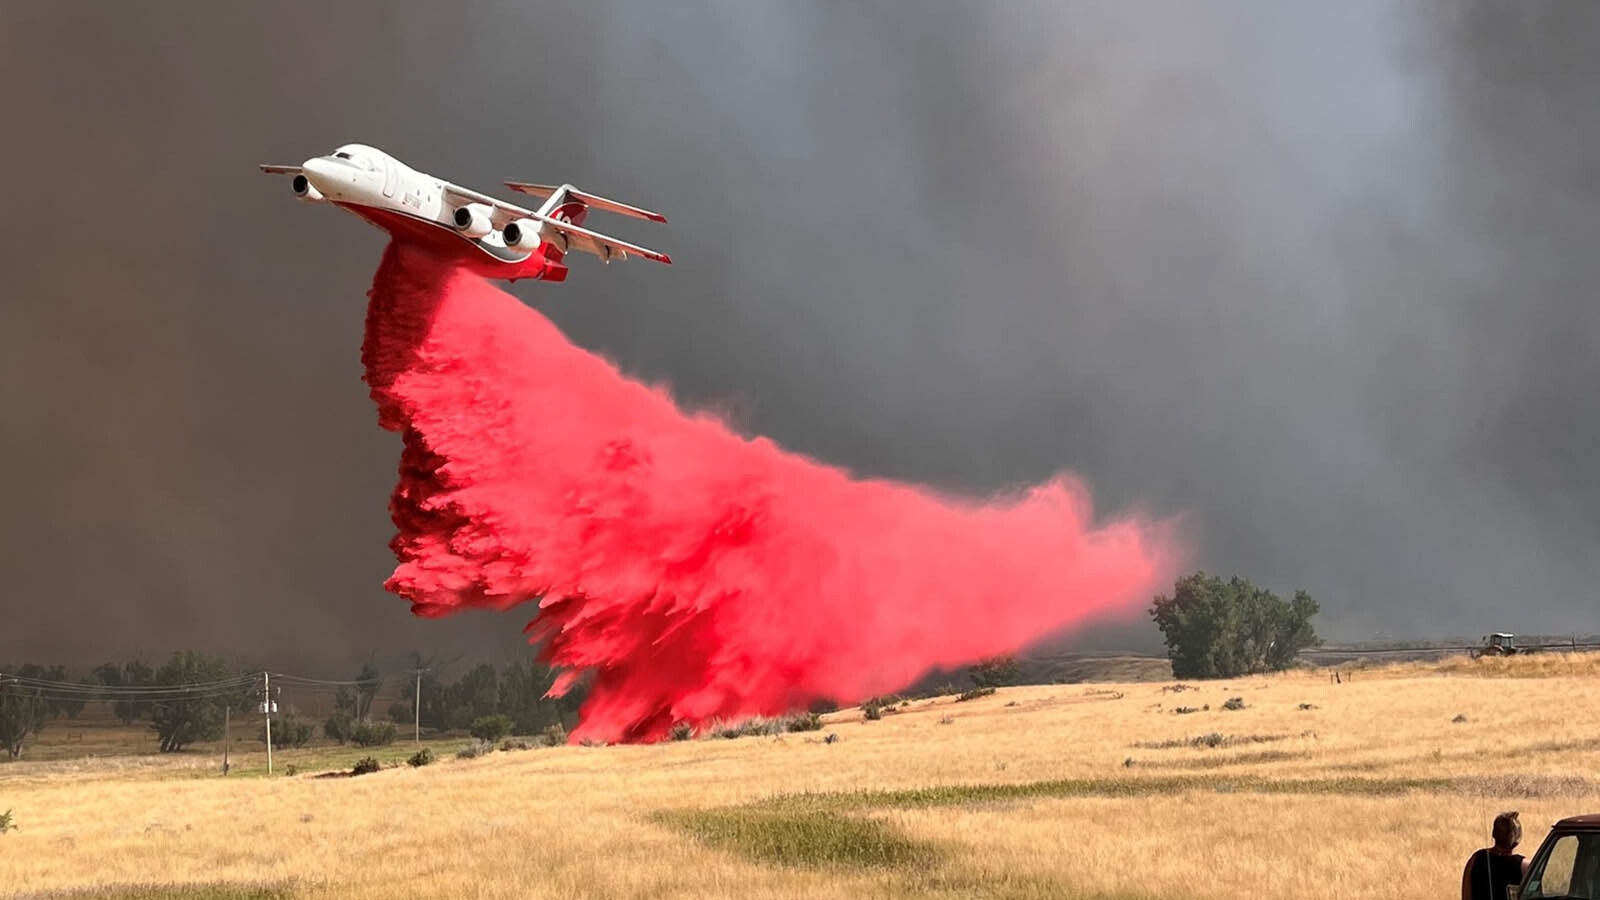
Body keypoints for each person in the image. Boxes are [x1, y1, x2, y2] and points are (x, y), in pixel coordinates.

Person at [1462, 811, 1527, 900]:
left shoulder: (1476, 859)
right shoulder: (1524, 866)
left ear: (1493, 833)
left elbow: (1466, 896)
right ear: (1517, 839)